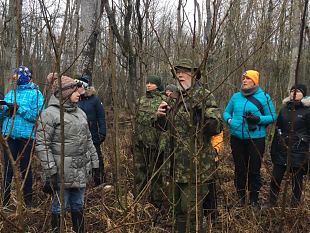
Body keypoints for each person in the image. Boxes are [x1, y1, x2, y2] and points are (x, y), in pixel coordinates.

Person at [155, 59, 223, 232]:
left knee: (191, 213)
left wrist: (200, 113)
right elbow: (163, 128)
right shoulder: (174, 98)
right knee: (178, 211)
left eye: (184, 71)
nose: (179, 75)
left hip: (196, 168)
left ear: (194, 74)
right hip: (175, 167)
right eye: (177, 72)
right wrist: (160, 116)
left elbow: (216, 126)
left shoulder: (204, 95)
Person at [36, 75, 100, 232]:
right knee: (60, 207)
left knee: (78, 205)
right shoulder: (49, 114)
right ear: (64, 93)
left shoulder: (81, 113)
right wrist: (51, 169)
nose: (80, 93)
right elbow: (42, 144)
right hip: (60, 172)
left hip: (80, 169)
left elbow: (89, 139)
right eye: (75, 91)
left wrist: (95, 162)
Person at [223, 70, 276, 207]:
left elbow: (272, 117)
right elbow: (226, 112)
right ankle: (240, 198)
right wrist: (229, 120)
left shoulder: (264, 97)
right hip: (236, 139)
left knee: (254, 170)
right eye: (243, 78)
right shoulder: (235, 97)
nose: (244, 80)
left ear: (255, 81)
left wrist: (258, 119)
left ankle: (253, 199)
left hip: (256, 139)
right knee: (240, 169)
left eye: (247, 78)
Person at [0, 66, 44, 208]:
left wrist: (19, 108)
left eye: (17, 76)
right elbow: (3, 114)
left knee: (26, 169)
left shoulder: (36, 94)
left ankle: (28, 202)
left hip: (26, 138)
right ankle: (5, 202)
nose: (14, 78)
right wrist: (5, 110)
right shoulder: (10, 93)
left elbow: (35, 116)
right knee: (7, 170)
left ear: (25, 76)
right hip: (9, 136)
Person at [266, 84, 310, 207]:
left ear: (303, 94)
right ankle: (271, 202)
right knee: (276, 178)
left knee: (297, 180)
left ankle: (294, 206)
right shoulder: (284, 109)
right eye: (292, 90)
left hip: (299, 151)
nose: (294, 92)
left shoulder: (308, 110)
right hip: (282, 149)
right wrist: (274, 147)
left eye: (298, 91)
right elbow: (278, 128)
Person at [133, 75, 165, 209]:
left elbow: (165, 125)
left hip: (155, 143)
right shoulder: (141, 100)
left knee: (156, 175)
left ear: (157, 85)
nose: (148, 85)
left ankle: (156, 204)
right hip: (140, 142)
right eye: (147, 82)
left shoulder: (163, 100)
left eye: (152, 83)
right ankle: (138, 201)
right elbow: (137, 119)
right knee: (140, 172)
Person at [77, 74, 107, 184]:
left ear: (84, 86)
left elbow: (101, 117)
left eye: (79, 86)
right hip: (78, 136)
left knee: (96, 158)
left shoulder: (95, 100)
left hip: (93, 135)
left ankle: (100, 181)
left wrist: (102, 132)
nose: (77, 88)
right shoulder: (74, 99)